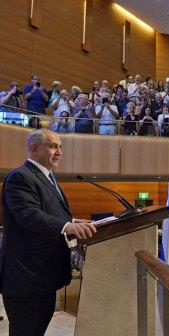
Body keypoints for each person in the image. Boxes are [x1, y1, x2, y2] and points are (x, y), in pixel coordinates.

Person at [0, 129, 97, 335]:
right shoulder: (20, 176)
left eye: (60, 147)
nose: (60, 152)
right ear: (34, 149)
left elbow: (48, 212)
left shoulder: (48, 178)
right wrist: (67, 227)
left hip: (43, 277)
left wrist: (71, 221)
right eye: (53, 146)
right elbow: (28, 214)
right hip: (26, 278)